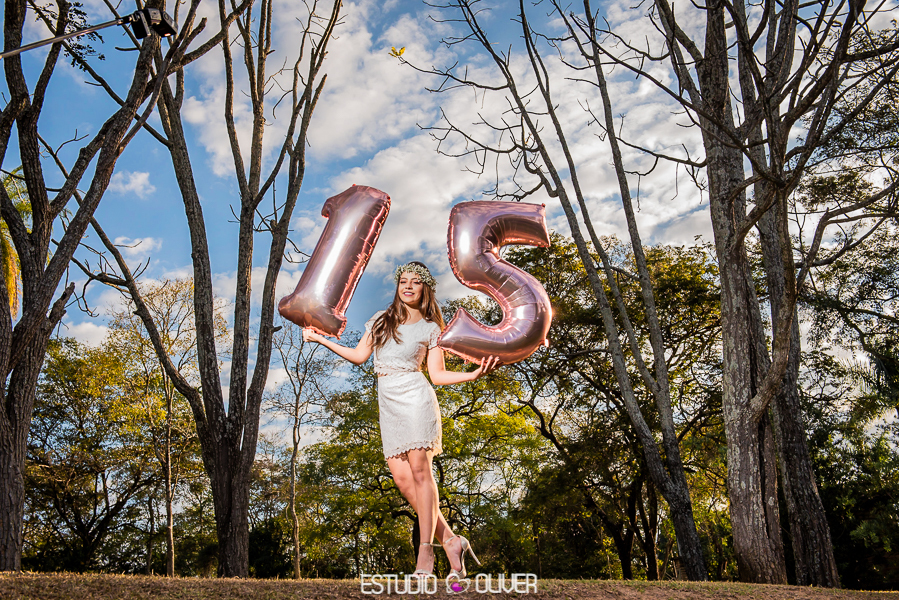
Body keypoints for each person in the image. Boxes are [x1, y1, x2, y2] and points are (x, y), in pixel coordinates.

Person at [302, 261, 498, 580]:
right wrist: (319, 338)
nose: (408, 286)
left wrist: (473, 374)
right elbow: (358, 356)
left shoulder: (432, 328)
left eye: (415, 282)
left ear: (425, 288)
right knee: (403, 480)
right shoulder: (380, 320)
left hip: (416, 396)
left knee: (421, 472)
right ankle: (451, 541)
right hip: (388, 402)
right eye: (403, 281)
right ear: (397, 286)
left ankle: (425, 554)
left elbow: (435, 375)